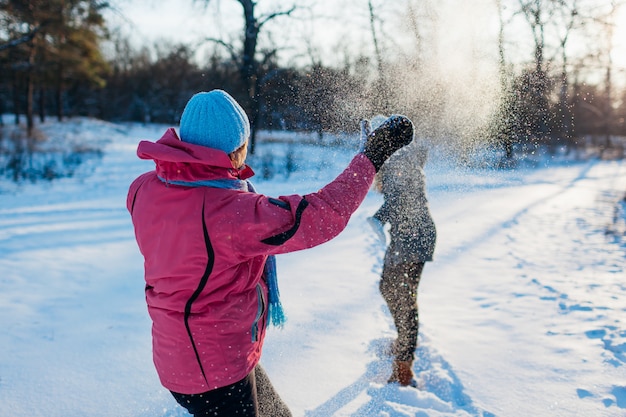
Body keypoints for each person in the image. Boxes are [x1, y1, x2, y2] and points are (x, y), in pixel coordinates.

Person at [126, 90, 414, 417]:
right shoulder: (231, 212)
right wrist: (372, 156)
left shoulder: (144, 189)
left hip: (185, 357)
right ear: (236, 150)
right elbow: (321, 214)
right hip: (215, 372)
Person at [366, 115, 437, 387]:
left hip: (415, 236)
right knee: (390, 288)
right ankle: (402, 344)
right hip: (409, 236)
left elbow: (402, 199)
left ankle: (404, 367)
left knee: (404, 296)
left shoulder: (398, 160)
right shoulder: (398, 159)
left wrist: (379, 218)